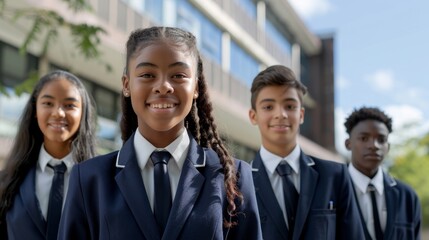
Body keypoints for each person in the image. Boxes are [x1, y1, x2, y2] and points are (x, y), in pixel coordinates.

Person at [58, 26, 261, 240]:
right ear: (127, 85)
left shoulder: (234, 177)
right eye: (147, 74)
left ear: (196, 88)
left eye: (178, 75)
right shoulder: (89, 178)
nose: (163, 86)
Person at [249, 65, 365, 240]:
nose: (281, 114)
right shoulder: (238, 182)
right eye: (268, 107)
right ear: (253, 116)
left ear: (301, 114)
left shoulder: (336, 176)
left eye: (289, 106)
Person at [0, 70, 96, 240]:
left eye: (69, 105)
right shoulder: (7, 181)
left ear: (83, 114)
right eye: (48, 103)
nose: (58, 113)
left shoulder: (99, 183)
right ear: (35, 110)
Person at [344, 106, 421, 240]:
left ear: (388, 147)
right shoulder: (329, 190)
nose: (374, 145)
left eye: (381, 139)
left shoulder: (407, 196)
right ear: (348, 144)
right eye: (364, 138)